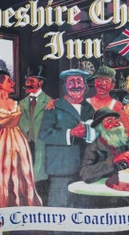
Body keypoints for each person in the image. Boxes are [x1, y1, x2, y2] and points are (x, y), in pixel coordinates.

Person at [0, 70, 42, 208]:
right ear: (0, 85)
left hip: (19, 140)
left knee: (21, 172)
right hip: (2, 142)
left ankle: (22, 205)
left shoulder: (15, 103)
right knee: (3, 172)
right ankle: (2, 206)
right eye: (9, 81)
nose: (13, 83)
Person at [38, 69, 96, 207]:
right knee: (60, 209)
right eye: (71, 82)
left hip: (85, 169)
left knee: (83, 208)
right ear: (65, 86)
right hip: (61, 167)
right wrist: (70, 133)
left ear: (85, 86)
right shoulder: (54, 107)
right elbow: (44, 133)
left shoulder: (90, 108)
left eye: (79, 81)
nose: (76, 85)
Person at [79, 108, 129, 184]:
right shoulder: (93, 148)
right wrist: (113, 160)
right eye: (109, 121)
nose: (116, 123)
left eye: (116, 119)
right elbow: (85, 174)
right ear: (100, 127)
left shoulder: (123, 143)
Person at [18, 66, 54, 201]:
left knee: (40, 181)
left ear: (41, 83)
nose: (28, 84)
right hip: (25, 146)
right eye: (27, 81)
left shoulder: (50, 102)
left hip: (42, 147)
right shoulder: (21, 104)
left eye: (32, 81)